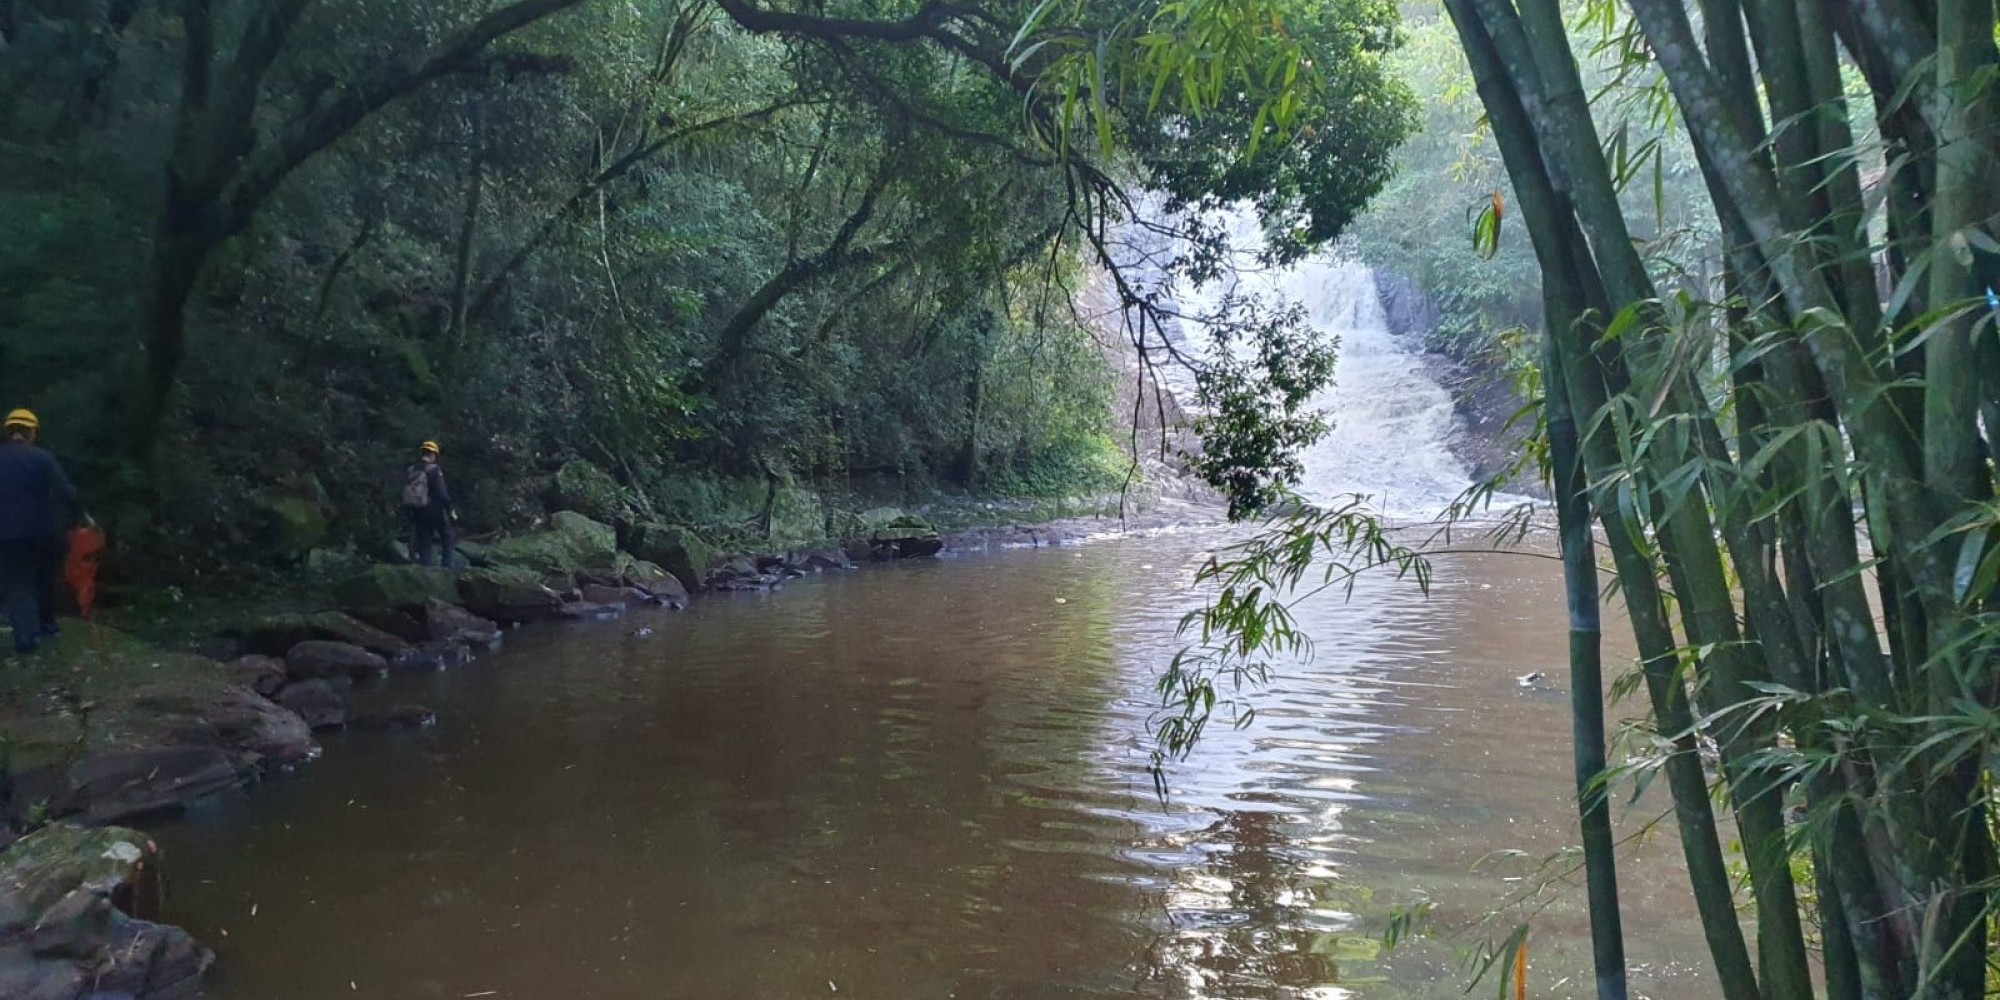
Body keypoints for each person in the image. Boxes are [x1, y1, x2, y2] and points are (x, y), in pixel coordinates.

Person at [0, 409, 78, 655]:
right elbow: (67, 493)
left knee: (17, 584)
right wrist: (77, 518)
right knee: (45, 579)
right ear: (32, 433)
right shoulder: (43, 459)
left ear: (8, 432)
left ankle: (25, 639)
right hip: (44, 531)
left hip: (7, 535)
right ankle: (47, 628)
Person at [403, 440, 456, 568]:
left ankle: (425, 570)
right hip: (435, 509)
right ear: (433, 455)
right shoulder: (434, 470)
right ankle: (447, 569)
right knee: (447, 537)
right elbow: (442, 493)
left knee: (424, 542)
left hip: (418, 511)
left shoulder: (412, 469)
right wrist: (450, 510)